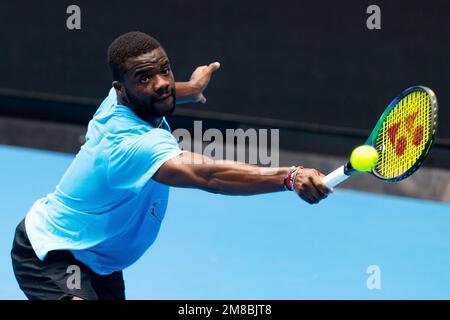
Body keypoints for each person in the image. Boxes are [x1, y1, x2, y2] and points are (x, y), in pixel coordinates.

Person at [11, 31, 331, 300]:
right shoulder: (131, 144)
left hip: (98, 259)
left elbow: (163, 91)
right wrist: (289, 176)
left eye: (165, 69)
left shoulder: (122, 99)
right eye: (145, 78)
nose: (162, 83)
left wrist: (192, 88)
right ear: (121, 90)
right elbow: (210, 176)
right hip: (51, 252)